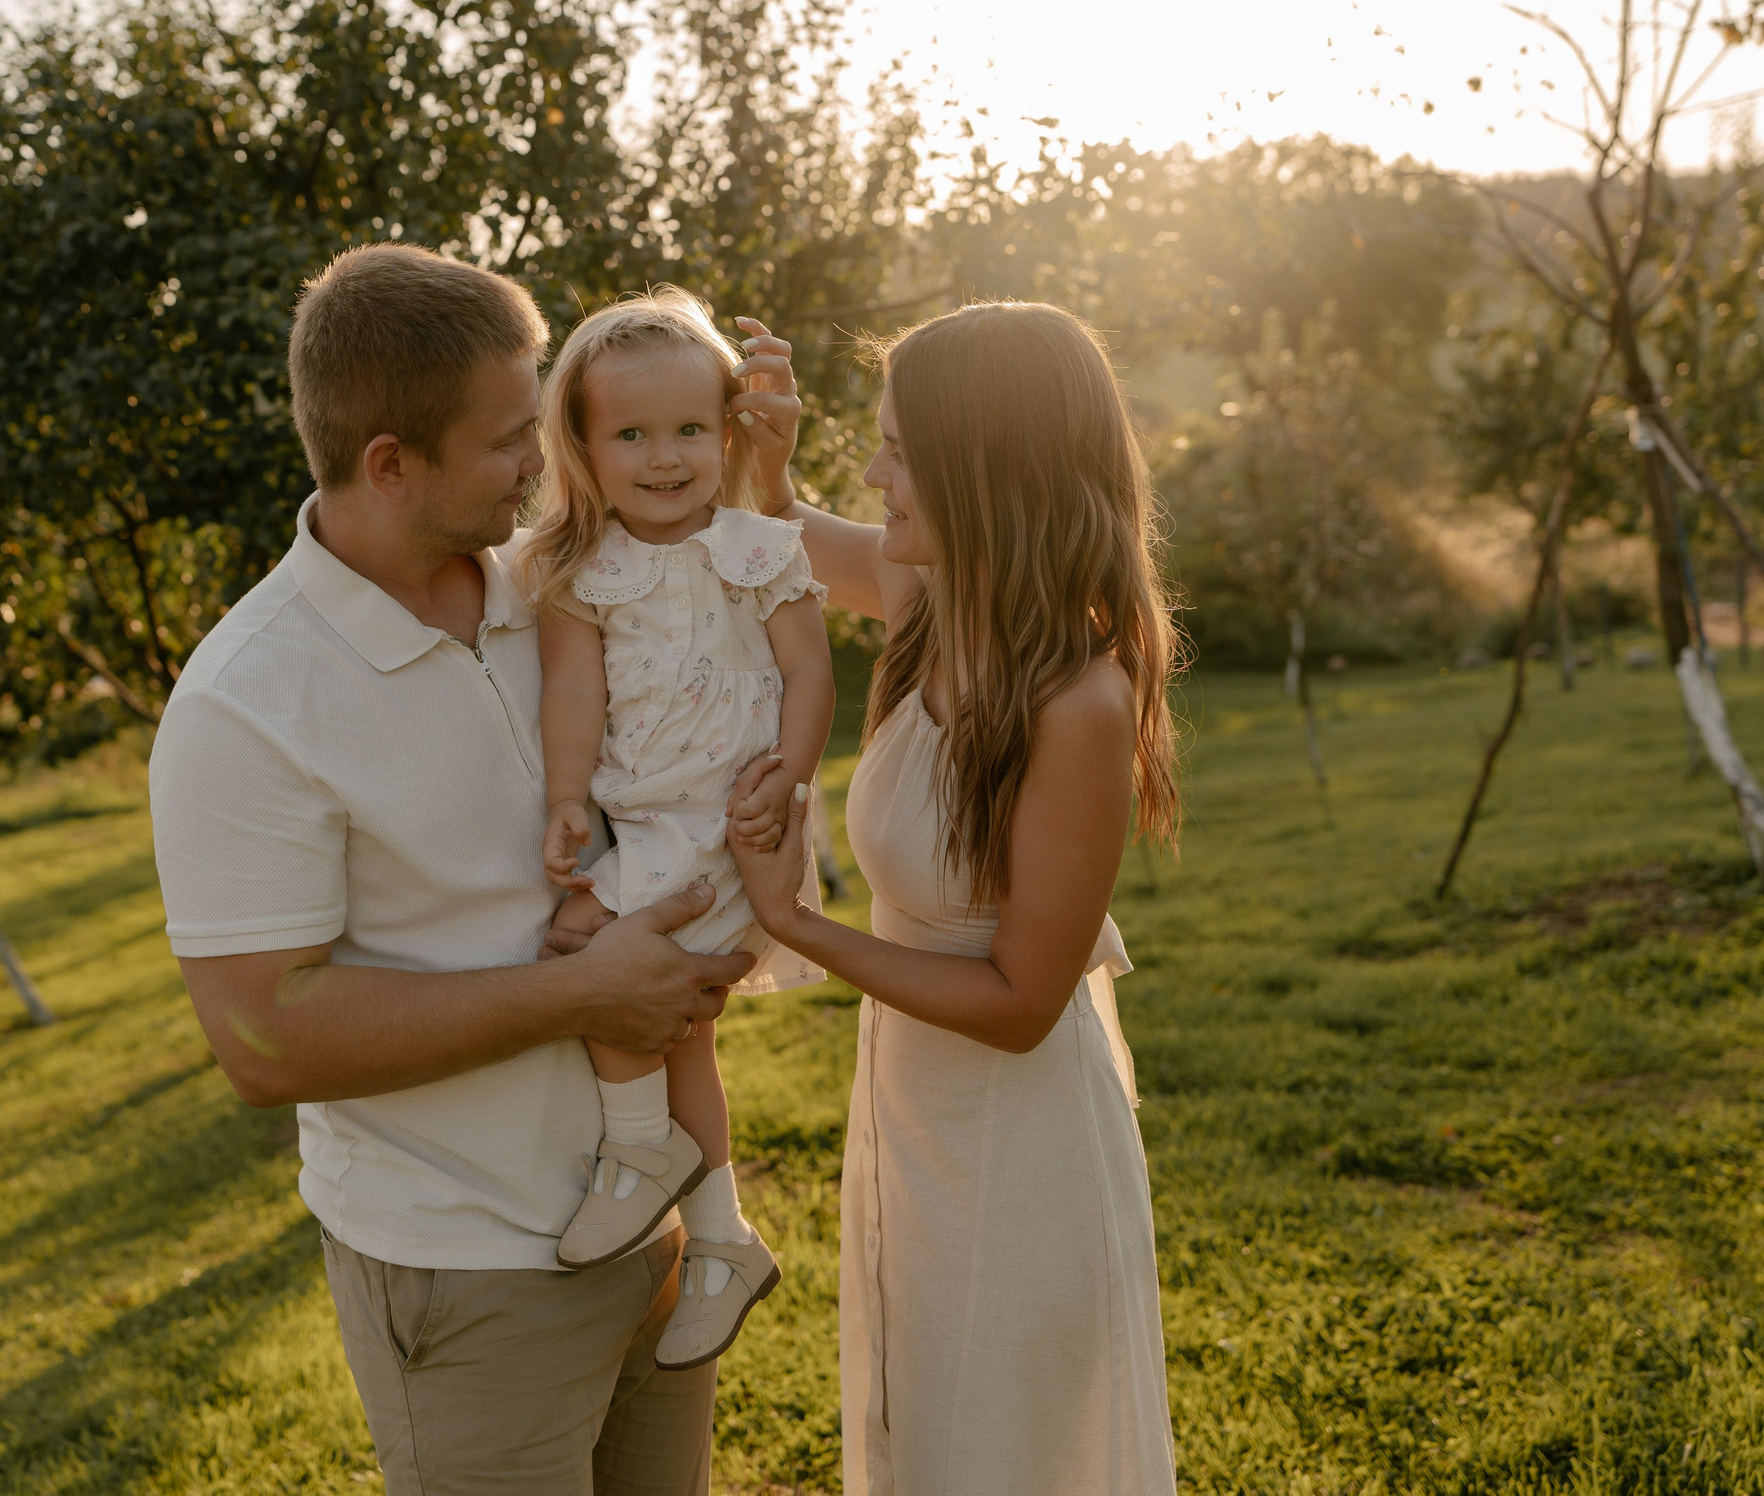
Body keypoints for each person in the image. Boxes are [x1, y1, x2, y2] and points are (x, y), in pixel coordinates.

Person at [150, 245, 779, 1495]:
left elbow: (751, 597)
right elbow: (263, 1039)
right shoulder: (246, 703)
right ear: (391, 463)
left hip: (649, 1225)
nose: (543, 467)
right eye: (508, 443)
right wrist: (588, 996)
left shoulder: (556, 583)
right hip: (470, 1269)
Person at [729, 302, 1182, 1494]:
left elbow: (1021, 1000)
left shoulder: (1072, 702)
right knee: (925, 1434)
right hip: (916, 1109)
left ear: (988, 467)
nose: (873, 473)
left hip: (1016, 1141)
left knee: (1004, 1450)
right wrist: (760, 456)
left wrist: (801, 928)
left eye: (897, 451)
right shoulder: (939, 607)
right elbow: (774, 533)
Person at [517, 288, 834, 1369]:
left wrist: (788, 776)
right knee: (669, 1015)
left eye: (690, 428)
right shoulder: (580, 572)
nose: (665, 457)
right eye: (633, 435)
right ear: (585, 447)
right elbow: (571, 696)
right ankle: (716, 1237)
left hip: (732, 820)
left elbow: (809, 670)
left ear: (728, 430)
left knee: (613, 970)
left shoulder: (758, 548)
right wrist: (568, 797)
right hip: (644, 820)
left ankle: (643, 1155)